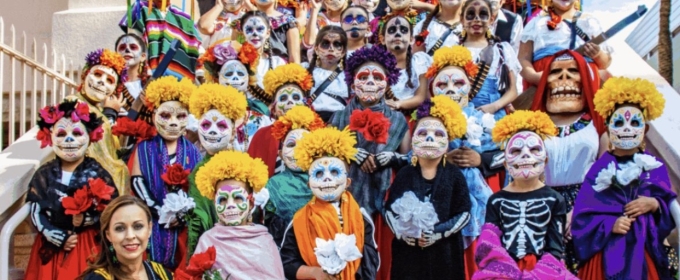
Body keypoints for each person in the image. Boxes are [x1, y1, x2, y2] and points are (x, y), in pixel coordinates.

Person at [573, 77, 675, 279]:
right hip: (607, 252)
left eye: (634, 122)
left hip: (645, 250)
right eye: (619, 122)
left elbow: (668, 206)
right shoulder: (598, 170)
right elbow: (582, 217)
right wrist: (610, 225)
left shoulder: (655, 167)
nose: (627, 128)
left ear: (644, 129)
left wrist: (654, 204)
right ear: (609, 128)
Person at [530, 50, 607, 273]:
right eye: (555, 72)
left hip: (586, 201)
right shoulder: (532, 126)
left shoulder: (597, 127)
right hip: (543, 201)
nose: (564, 79)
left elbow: (604, 174)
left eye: (573, 71)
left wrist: (578, 209)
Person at [474, 110, 575, 279]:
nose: (525, 155)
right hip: (502, 271)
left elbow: (555, 247)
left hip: (544, 271)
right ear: (506, 164)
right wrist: (505, 271)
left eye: (534, 149)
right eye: (516, 151)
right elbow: (488, 241)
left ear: (546, 160)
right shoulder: (496, 200)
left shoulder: (555, 199)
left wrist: (539, 274)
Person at [25, 100, 119, 280]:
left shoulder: (97, 172)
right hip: (50, 246)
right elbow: (36, 209)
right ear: (50, 136)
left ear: (90, 137)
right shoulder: (44, 174)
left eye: (76, 133)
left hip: (86, 245)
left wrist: (88, 219)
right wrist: (53, 234)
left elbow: (112, 209)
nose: (69, 140)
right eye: (61, 134)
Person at [385, 95, 471, 279]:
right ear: (413, 139)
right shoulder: (405, 174)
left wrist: (437, 234)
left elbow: (464, 213)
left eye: (438, 134)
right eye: (423, 133)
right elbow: (389, 211)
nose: (430, 139)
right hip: (409, 255)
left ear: (447, 142)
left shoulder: (454, 175)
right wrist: (403, 234)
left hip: (445, 253)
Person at [280, 127, 379, 279]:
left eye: (334, 172)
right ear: (309, 184)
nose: (327, 178)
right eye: (319, 173)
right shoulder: (300, 221)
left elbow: (371, 262)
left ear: (347, 182)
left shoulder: (361, 218)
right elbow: (286, 264)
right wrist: (314, 272)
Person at [131, 77, 202, 270]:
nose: (172, 123)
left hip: (182, 229)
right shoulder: (143, 148)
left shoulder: (194, 152)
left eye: (180, 116)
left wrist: (182, 214)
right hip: (150, 222)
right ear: (154, 116)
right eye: (165, 116)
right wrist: (158, 210)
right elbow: (137, 182)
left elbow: (197, 189)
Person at [178, 150, 285, 279]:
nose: (230, 205)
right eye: (222, 199)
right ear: (214, 204)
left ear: (251, 203)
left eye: (238, 198)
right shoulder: (207, 240)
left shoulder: (264, 242)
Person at [186, 83, 248, 258]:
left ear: (234, 133)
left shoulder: (245, 167)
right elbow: (197, 222)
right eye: (206, 125)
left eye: (221, 126)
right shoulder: (197, 171)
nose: (213, 131)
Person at [68, 49, 130, 194]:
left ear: (115, 90)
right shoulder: (73, 102)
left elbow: (110, 153)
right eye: (97, 74)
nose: (102, 82)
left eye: (110, 80)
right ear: (85, 75)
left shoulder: (98, 111)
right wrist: (110, 113)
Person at [263, 106, 326, 245]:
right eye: (291, 145)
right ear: (280, 154)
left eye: (305, 144)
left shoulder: (328, 182)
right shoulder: (273, 186)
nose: (298, 151)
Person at [518, 0, 611, 92]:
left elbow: (606, 62)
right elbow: (523, 59)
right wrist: (534, 77)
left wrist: (598, 54)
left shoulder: (590, 22)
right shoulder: (535, 24)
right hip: (547, 89)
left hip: (584, 88)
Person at [79, 195, 173, 280]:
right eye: (120, 228)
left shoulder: (163, 275)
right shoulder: (97, 278)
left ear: (149, 229)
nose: (130, 236)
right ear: (108, 235)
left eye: (138, 226)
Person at [247, 63, 313, 176]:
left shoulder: (316, 132)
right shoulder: (262, 136)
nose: (290, 102)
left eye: (296, 97)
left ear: (306, 104)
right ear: (273, 109)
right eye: (283, 98)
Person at [459, 0, 520, 121]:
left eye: (483, 14)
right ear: (462, 19)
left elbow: (513, 90)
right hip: (459, 115)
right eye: (470, 14)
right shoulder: (452, 49)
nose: (477, 19)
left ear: (491, 20)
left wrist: (494, 106)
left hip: (493, 115)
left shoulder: (502, 51)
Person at [120, 0, 201, 80]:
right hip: (148, 81)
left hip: (181, 85)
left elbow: (197, 53)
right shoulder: (140, 9)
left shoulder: (184, 18)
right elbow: (133, 47)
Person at [380, 13, 431, 116]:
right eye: (392, 30)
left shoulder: (419, 61)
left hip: (413, 117)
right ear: (382, 39)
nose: (398, 34)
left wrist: (399, 104)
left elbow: (420, 97)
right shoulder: (377, 64)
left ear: (411, 39)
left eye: (403, 30)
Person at [305, 26, 350, 122]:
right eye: (325, 44)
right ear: (316, 49)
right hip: (309, 122)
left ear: (343, 52)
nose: (331, 49)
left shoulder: (348, 77)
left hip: (338, 124)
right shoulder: (304, 70)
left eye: (337, 44)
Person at [238, 11, 288, 91]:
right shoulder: (236, 62)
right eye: (249, 29)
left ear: (268, 33)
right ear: (242, 34)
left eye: (260, 29)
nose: (255, 34)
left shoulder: (278, 63)